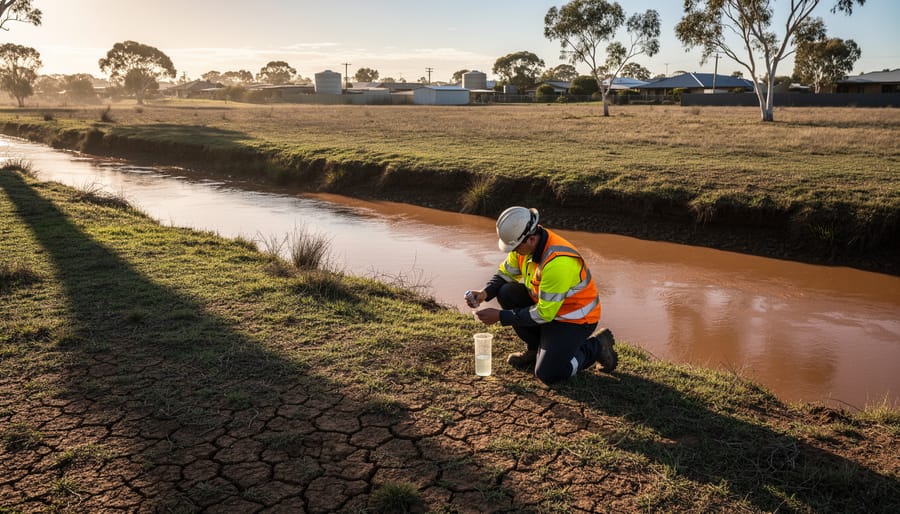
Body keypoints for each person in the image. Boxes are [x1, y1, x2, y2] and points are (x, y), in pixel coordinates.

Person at [466, 206, 617, 385]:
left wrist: (500, 316)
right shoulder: (526, 245)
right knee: (506, 292)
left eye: (515, 247)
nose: (513, 251)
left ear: (530, 239)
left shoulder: (558, 262)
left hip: (574, 320)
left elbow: (544, 314)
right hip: (550, 310)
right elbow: (505, 274)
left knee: (549, 373)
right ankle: (534, 348)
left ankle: (596, 347)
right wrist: (484, 293)